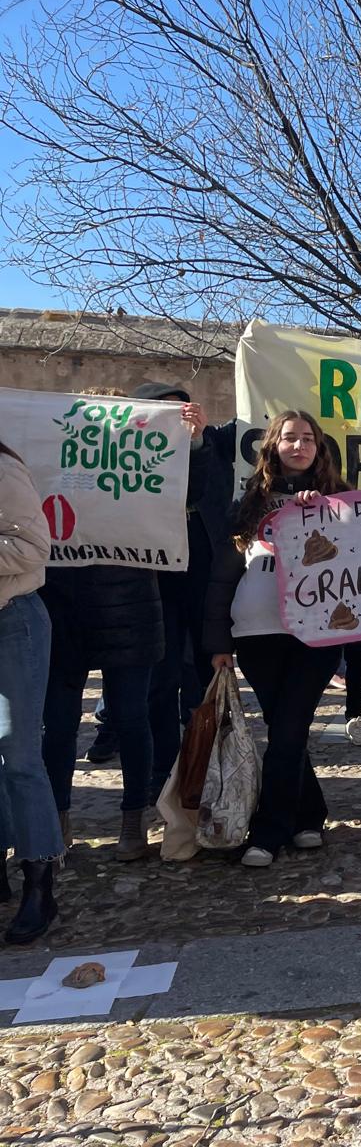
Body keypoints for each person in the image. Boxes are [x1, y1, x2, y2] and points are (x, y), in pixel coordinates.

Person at [203, 412, 349, 866]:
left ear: (319, 449)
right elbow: (223, 577)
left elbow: (360, 564)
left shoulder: (340, 501)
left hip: (315, 635)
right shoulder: (248, 503)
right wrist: (218, 641)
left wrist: (323, 514)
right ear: (273, 445)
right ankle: (310, 815)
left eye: (308, 439)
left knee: (287, 732)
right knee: (286, 728)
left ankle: (269, 832)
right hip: (255, 635)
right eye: (290, 438)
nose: (299, 445)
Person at [39, 387, 169, 861]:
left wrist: (189, 441)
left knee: (133, 720)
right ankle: (56, 820)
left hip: (130, 612)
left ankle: (133, 820)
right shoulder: (51, 465)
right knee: (58, 726)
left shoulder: (144, 472)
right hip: (63, 612)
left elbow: (185, 499)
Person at [129, 382, 220, 806]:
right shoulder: (131, 460)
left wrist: (197, 440)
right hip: (153, 582)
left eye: (180, 412)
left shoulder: (204, 449)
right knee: (160, 684)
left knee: (204, 682)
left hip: (200, 580)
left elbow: (198, 490)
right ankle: (163, 772)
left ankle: (205, 769)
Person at [0, 440, 67, 943]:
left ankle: (40, 882)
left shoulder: (3, 468)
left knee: (19, 756)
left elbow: (31, 547)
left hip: (11, 622)